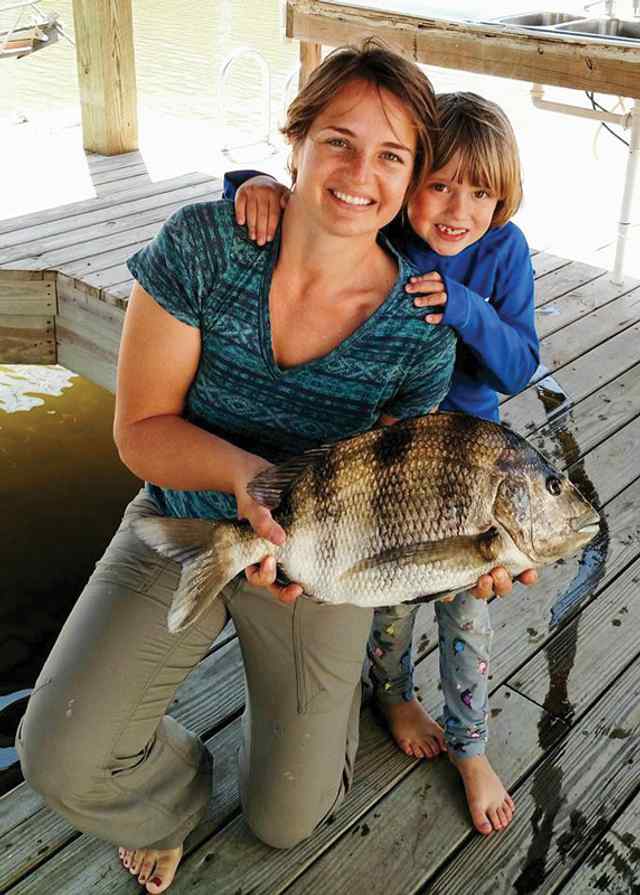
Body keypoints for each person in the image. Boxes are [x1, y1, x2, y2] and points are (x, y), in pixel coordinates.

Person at [16, 39, 464, 895]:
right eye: (338, 140)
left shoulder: (421, 329)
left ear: (410, 179)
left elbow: (413, 488)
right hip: (185, 519)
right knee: (62, 758)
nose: (359, 172)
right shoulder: (202, 246)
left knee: (286, 821)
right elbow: (143, 429)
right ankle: (169, 793)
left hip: (318, 563)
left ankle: (324, 721)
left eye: (391, 155)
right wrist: (249, 485)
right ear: (293, 143)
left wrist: (469, 560)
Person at [223, 91, 540, 838]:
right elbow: (323, 196)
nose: (459, 209)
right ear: (412, 183)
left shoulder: (506, 251)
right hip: (390, 455)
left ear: (504, 199)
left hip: (469, 460)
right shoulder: (391, 228)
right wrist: (251, 187)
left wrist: (466, 307)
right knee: (387, 602)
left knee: (469, 616)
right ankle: (392, 694)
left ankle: (469, 746)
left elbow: (519, 364)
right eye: (441, 185)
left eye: (483, 192)